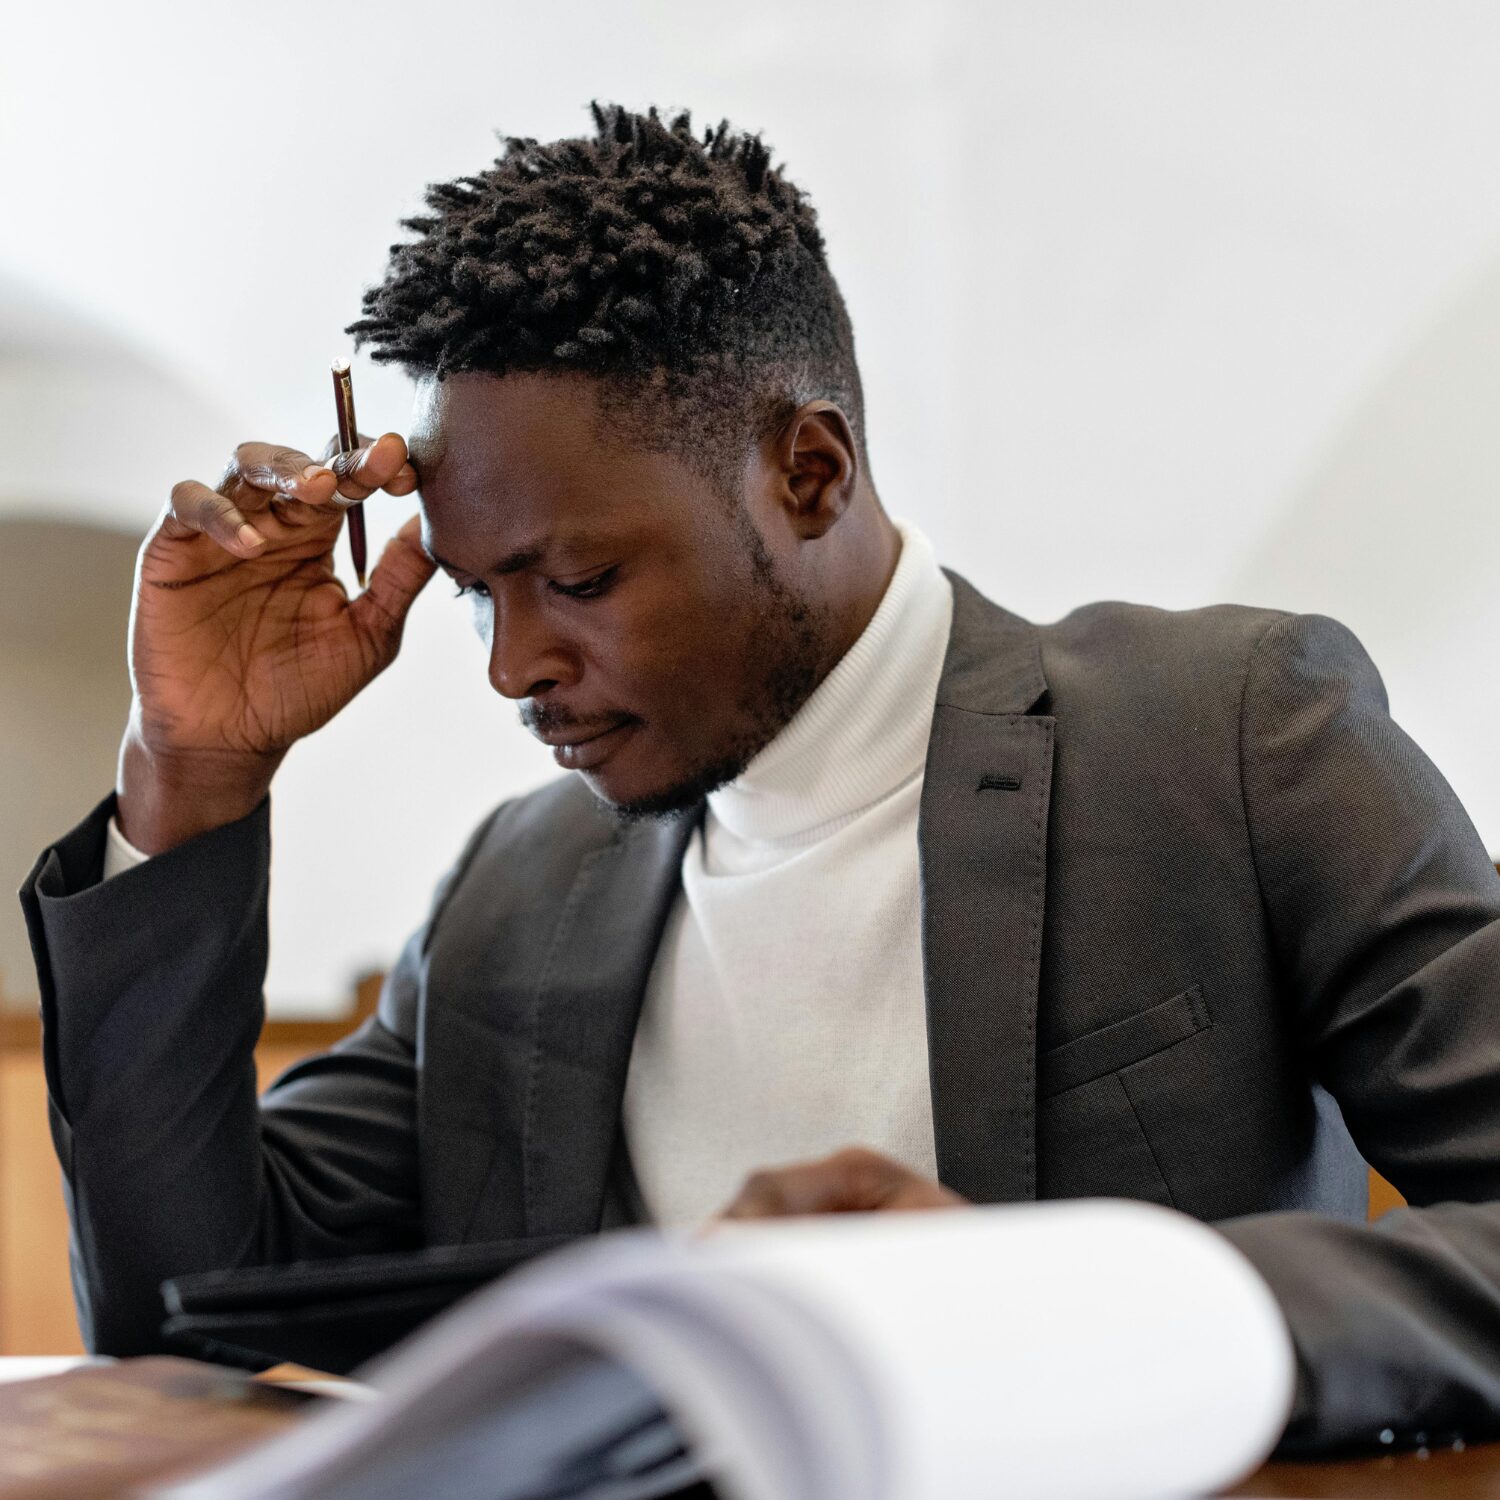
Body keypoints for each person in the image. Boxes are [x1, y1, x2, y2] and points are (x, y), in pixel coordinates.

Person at [19, 104, 1500, 1455]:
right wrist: (193, 774)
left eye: (579, 577)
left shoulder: (1231, 739)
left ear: (809, 471)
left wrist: (1083, 1311)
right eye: (480, 595)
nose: (510, 666)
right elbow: (180, 1325)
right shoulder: (511, 895)